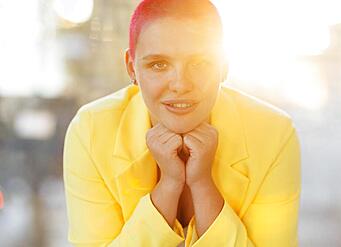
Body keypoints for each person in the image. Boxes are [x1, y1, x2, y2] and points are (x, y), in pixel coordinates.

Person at [63, 0, 301, 246]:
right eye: (159, 64)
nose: (180, 84)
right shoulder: (91, 131)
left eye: (200, 63)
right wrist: (169, 185)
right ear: (131, 68)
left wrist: (202, 184)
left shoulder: (273, 133)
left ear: (225, 66)